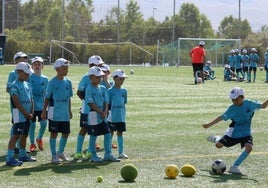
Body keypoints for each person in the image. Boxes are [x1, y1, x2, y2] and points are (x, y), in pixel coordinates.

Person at [203, 87, 268, 174]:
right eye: (233, 100)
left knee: (249, 148)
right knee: (219, 146)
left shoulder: (250, 104)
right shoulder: (232, 109)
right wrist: (209, 124)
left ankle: (234, 166)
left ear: (242, 97)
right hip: (233, 133)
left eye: (236, 99)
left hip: (246, 132)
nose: (234, 102)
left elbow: (263, 106)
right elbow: (221, 117)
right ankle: (217, 139)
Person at [41, 58, 73, 164]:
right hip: (54, 113)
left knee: (66, 133)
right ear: (58, 69)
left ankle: (60, 152)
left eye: (67, 68)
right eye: (65, 68)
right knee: (54, 133)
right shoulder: (52, 82)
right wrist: (44, 111)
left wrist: (69, 110)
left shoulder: (68, 82)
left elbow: (69, 98)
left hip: (64, 113)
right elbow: (47, 98)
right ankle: (54, 155)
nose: (67, 70)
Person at [86, 66, 120, 163]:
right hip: (93, 114)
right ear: (91, 77)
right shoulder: (89, 88)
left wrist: (105, 111)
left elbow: (106, 100)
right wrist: (99, 111)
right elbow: (90, 102)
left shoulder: (103, 88)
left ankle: (108, 154)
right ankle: (93, 155)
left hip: (103, 114)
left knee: (107, 134)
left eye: (100, 77)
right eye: (97, 77)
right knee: (93, 135)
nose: (99, 79)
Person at [74, 55, 104, 160]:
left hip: (96, 110)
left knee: (94, 130)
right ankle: (78, 151)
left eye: (101, 65)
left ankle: (91, 152)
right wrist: (87, 103)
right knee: (84, 129)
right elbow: (79, 92)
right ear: (90, 65)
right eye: (97, 65)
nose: (100, 67)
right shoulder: (86, 77)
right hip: (87, 110)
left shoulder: (100, 76)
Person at [6, 62, 36, 166]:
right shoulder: (14, 85)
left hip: (28, 115)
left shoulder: (27, 84)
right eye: (26, 74)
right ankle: (9, 158)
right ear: (19, 72)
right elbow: (16, 101)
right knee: (15, 136)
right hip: (19, 114)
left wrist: (31, 112)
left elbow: (31, 99)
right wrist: (25, 113)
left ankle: (23, 155)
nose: (28, 76)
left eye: (28, 74)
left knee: (24, 134)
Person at [6, 51, 29, 154]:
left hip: (26, 104)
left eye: (25, 58)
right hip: (17, 104)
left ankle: (21, 148)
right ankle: (15, 147)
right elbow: (8, 88)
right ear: (16, 61)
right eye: (20, 58)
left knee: (23, 126)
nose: (23, 59)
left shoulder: (28, 71)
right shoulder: (13, 73)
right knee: (16, 124)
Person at [28, 57, 48, 152]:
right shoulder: (29, 77)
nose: (37, 66)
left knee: (44, 123)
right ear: (32, 66)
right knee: (32, 125)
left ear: (42, 66)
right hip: (31, 106)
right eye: (35, 64)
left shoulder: (45, 79)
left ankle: (39, 138)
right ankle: (32, 143)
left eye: (39, 64)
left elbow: (47, 93)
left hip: (42, 105)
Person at [107, 69, 128, 159]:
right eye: (121, 79)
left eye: (123, 79)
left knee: (120, 133)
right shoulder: (109, 91)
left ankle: (121, 152)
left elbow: (124, 103)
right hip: (112, 116)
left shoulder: (124, 91)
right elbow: (107, 104)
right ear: (115, 78)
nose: (122, 81)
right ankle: (108, 152)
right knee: (110, 133)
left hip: (121, 116)